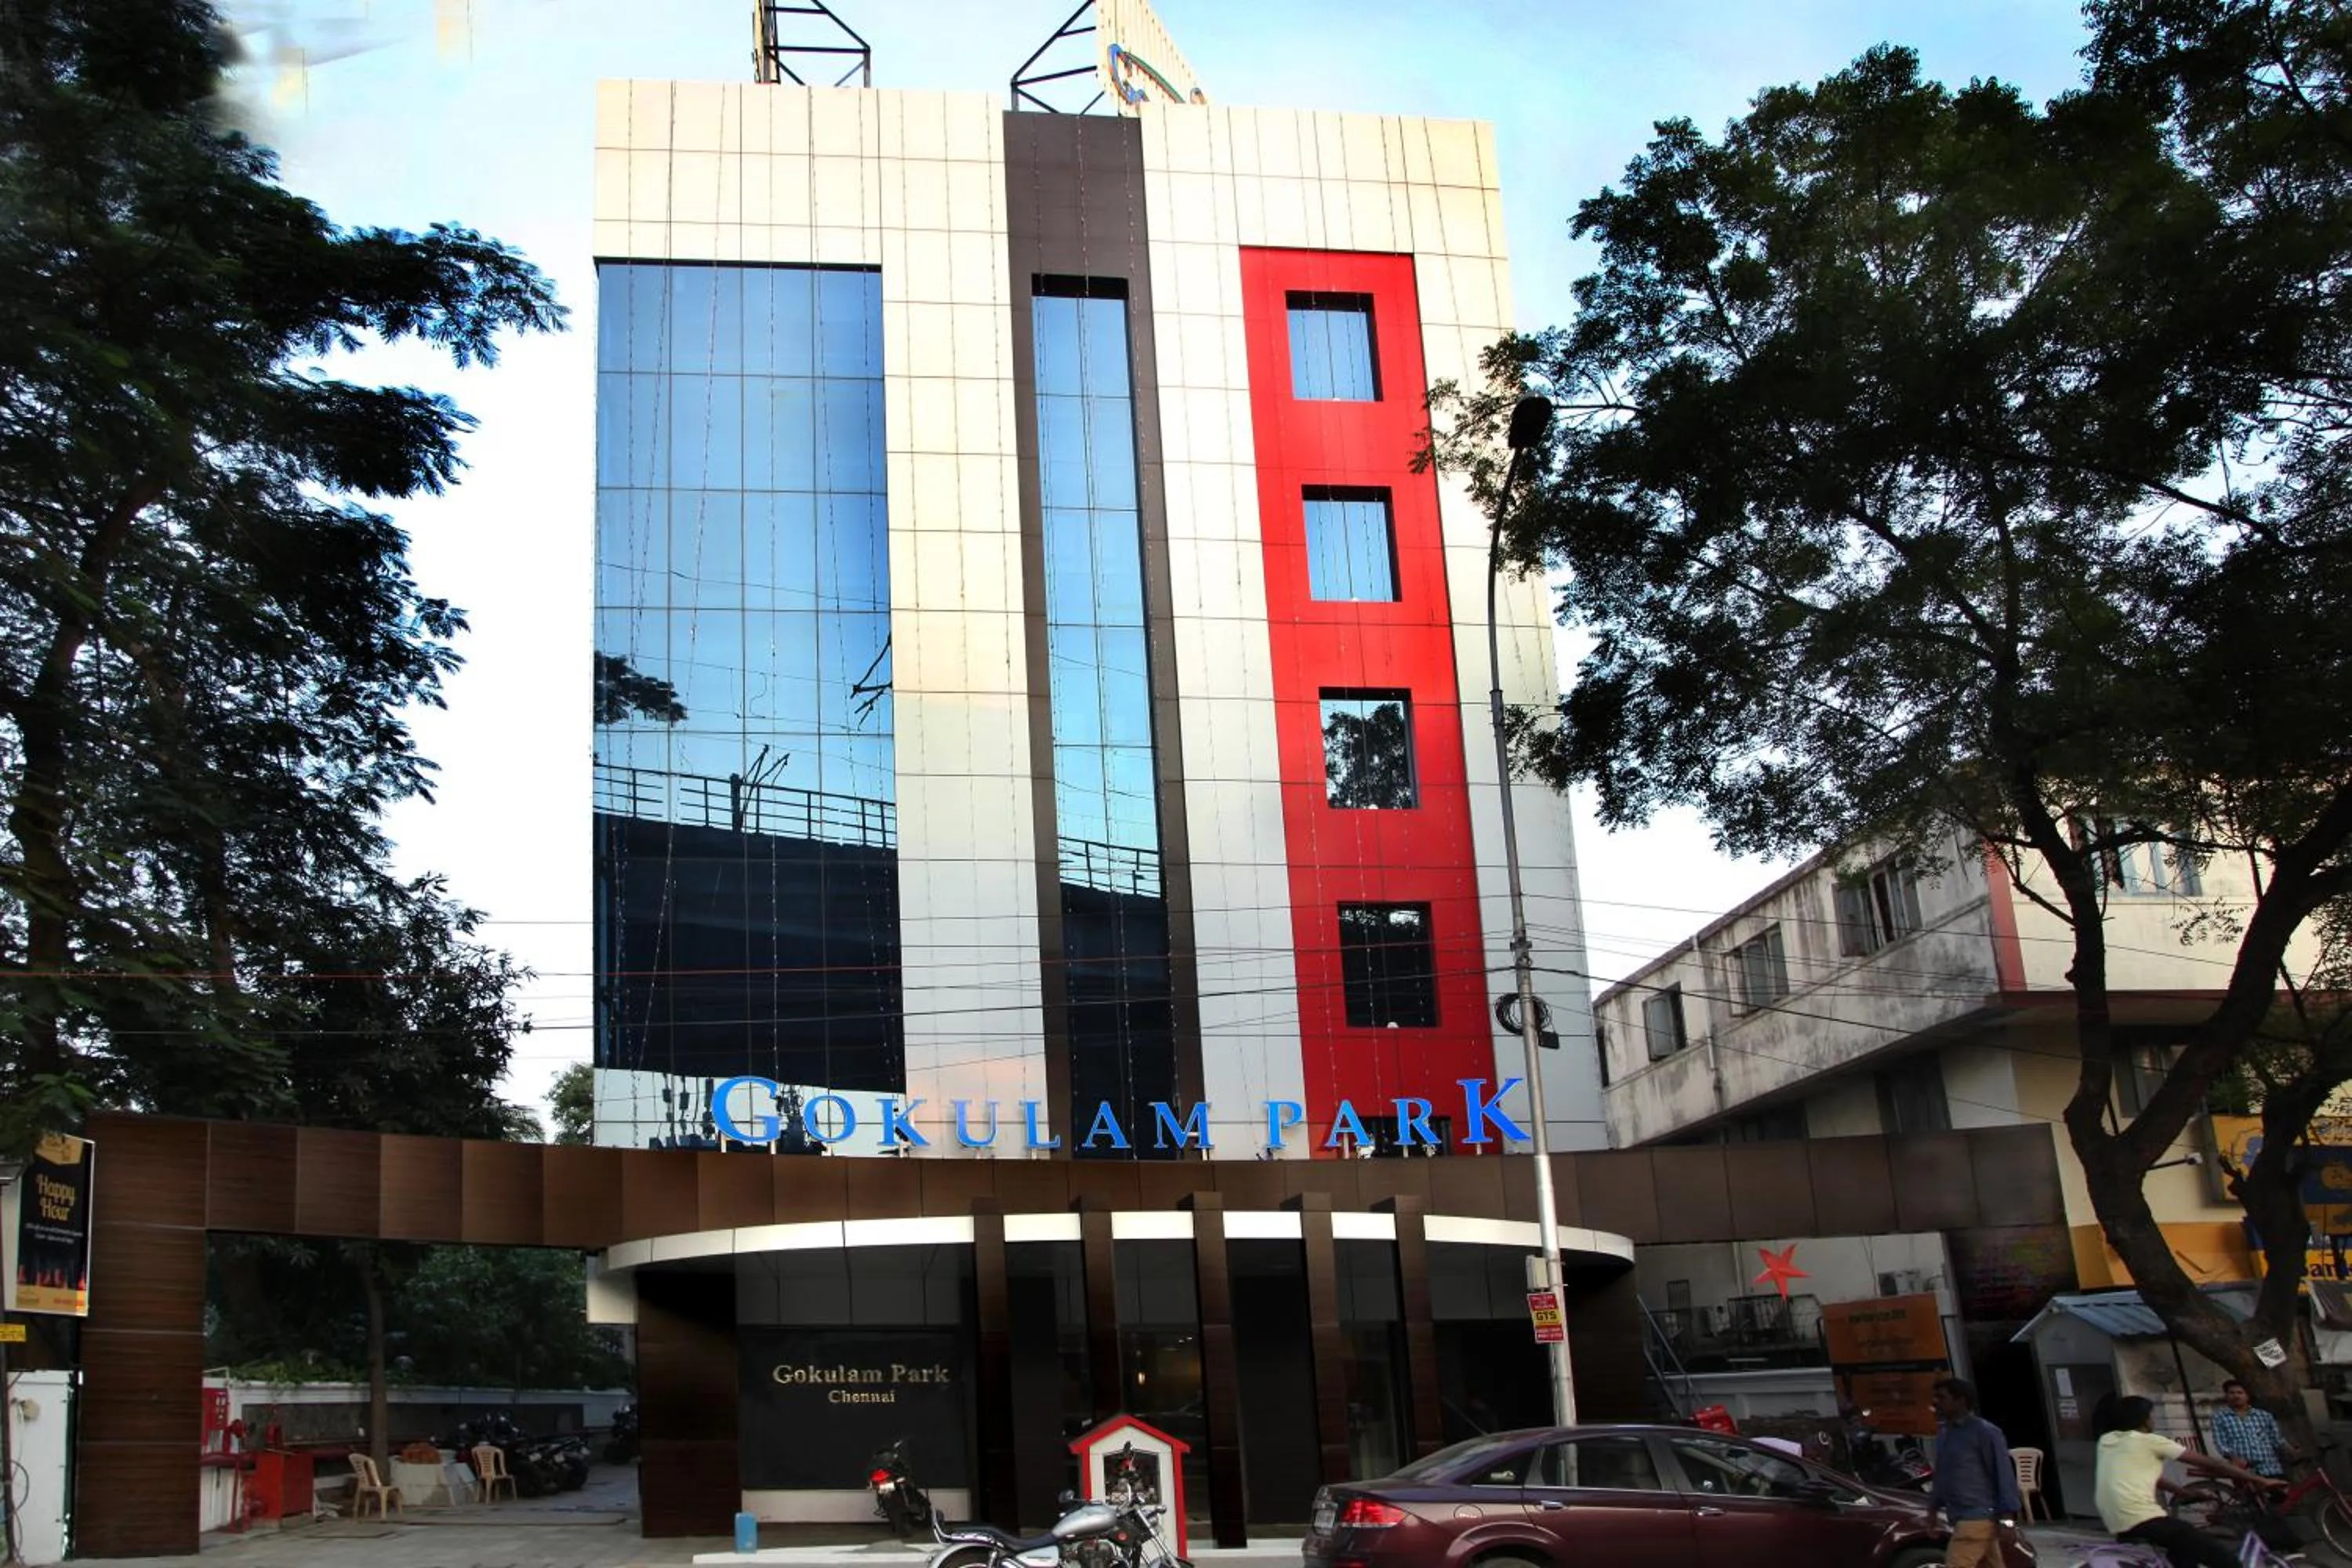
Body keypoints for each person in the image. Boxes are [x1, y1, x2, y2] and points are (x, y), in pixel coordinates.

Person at [2094, 1394, 2285, 1568]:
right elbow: (2211, 1463)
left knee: (2185, 1555)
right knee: (2226, 1561)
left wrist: (2183, 1493)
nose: (2153, 1420)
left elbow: (2151, 1478)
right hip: (2143, 1517)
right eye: (2151, 1416)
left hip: (2115, 1519)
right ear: (2143, 1420)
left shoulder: (2108, 1440)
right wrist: (2259, 1479)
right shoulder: (2150, 1441)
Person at [1926, 1377, 2020, 1568]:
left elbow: (2003, 1475)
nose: (1936, 1403)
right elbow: (1943, 1476)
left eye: (1942, 1398)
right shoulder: (1945, 1433)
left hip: (1978, 1517)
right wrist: (1933, 1510)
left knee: (1957, 1563)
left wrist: (2008, 1521)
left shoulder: (1985, 1432)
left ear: (1960, 1400)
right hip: (1962, 1516)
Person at [2211, 1379, 2299, 1480]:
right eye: (2232, 1393)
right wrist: (2233, 1457)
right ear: (2226, 1396)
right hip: (2243, 1470)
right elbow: (2220, 1443)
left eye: (2240, 1393)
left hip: (2270, 1466)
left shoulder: (2264, 1416)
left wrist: (2291, 1450)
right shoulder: (2219, 1418)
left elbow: (2276, 1439)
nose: (2236, 1396)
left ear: (2247, 1396)